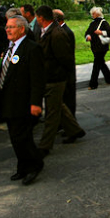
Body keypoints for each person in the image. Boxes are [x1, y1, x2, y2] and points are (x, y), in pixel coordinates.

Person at [0, 15, 44, 185]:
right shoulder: (9, 47)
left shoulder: (32, 48)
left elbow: (37, 79)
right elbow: (3, 74)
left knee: (22, 137)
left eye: (11, 27)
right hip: (8, 101)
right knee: (14, 136)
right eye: (7, 27)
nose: (8, 30)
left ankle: (35, 165)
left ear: (21, 29)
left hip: (23, 102)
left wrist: (35, 103)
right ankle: (23, 166)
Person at [35, 8, 86, 155]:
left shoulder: (57, 34)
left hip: (56, 78)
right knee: (58, 106)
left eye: (37, 18)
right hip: (48, 77)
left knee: (52, 112)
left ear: (41, 18)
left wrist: (65, 77)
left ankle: (45, 146)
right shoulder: (45, 31)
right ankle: (75, 130)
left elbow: (66, 59)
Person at [53, 9, 77, 117]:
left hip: (66, 72)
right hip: (65, 71)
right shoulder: (61, 31)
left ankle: (71, 125)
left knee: (68, 99)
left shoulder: (65, 32)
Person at [85, 7, 110, 89]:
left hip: (102, 47)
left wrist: (101, 32)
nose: (92, 15)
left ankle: (93, 84)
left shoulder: (103, 22)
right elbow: (87, 32)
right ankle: (109, 78)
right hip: (94, 46)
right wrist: (88, 36)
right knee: (101, 63)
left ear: (97, 14)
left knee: (96, 65)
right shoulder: (92, 23)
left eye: (93, 13)